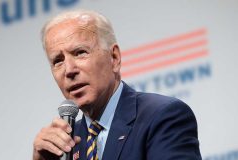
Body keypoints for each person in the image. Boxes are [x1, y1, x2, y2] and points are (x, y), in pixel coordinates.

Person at [33, 9, 201, 160]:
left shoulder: (161, 117)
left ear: (114, 58)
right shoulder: (65, 146)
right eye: (58, 61)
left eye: (80, 53)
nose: (69, 70)